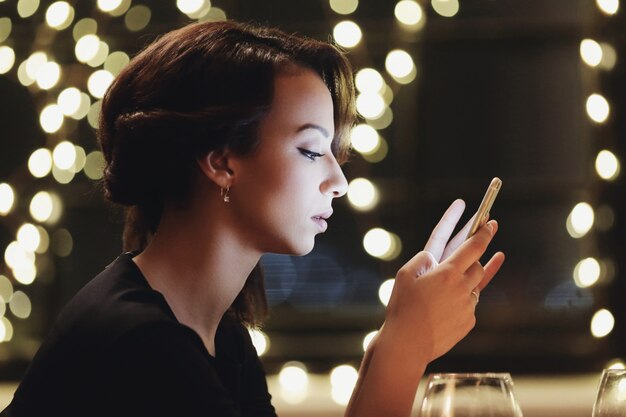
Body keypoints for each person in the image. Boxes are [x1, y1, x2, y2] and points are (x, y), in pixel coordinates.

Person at [1, 20, 505, 417]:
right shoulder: (140, 343)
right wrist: (404, 348)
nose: (339, 179)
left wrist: (396, 337)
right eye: (310, 151)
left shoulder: (220, 336)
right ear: (221, 161)